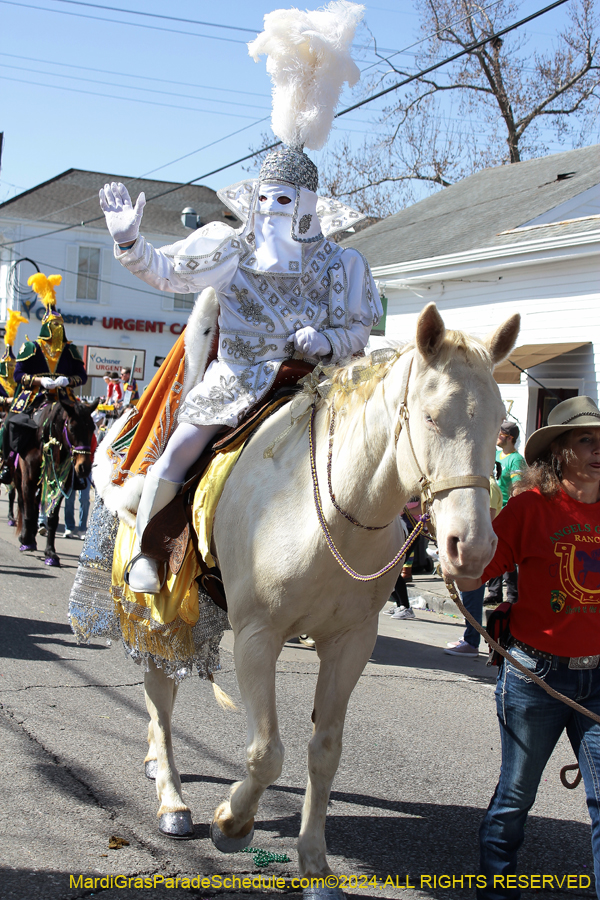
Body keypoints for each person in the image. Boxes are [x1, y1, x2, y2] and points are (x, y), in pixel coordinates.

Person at [454, 396, 600, 899]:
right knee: (515, 798)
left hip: (598, 680)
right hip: (535, 677)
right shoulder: (530, 508)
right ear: (559, 451)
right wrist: (453, 551)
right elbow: (478, 568)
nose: (599, 449)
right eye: (587, 440)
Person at [0, 275, 87, 484]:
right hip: (35, 396)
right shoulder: (32, 348)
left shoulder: (69, 350)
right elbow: (18, 375)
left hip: (63, 396)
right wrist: (40, 382)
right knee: (9, 422)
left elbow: (82, 376)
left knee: (83, 423)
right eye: (53, 325)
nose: (57, 329)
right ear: (45, 326)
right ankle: (6, 462)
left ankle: (79, 470)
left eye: (60, 325)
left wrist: (68, 381)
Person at [444, 475, 503, 658]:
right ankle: (469, 638)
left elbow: (487, 518)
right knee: (469, 597)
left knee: (472, 598)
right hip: (479, 548)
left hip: (479, 550)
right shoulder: (488, 484)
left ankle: (471, 642)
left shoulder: (489, 486)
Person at [485, 420, 526, 606]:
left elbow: (519, 487)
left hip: (505, 509)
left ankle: (512, 595)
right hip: (491, 507)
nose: (497, 437)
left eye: (500, 434)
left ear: (510, 438)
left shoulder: (516, 460)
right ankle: (494, 592)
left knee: (507, 555)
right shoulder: (495, 454)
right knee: (493, 553)